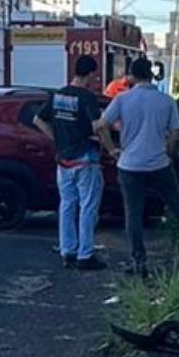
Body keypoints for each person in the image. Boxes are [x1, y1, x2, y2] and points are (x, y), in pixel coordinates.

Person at [98, 57, 179, 275]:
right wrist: (168, 154)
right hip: (158, 163)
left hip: (130, 165)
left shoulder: (122, 100)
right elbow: (175, 133)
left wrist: (111, 150)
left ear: (132, 75)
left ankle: (139, 261)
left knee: (133, 214)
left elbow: (102, 125)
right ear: (151, 75)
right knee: (176, 202)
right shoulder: (166, 101)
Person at [35, 54, 113, 270]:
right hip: (85, 159)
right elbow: (98, 126)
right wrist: (111, 148)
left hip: (64, 160)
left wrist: (56, 138)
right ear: (89, 74)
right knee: (88, 207)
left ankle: (67, 250)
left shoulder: (58, 95)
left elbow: (38, 119)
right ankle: (85, 254)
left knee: (67, 205)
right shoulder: (86, 97)